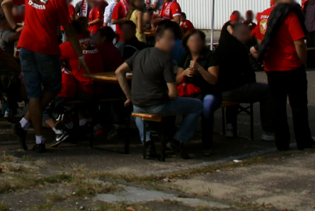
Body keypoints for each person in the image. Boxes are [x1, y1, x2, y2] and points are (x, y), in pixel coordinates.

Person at [3, 0, 84, 153]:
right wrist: (80, 54)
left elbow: (5, 3)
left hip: (25, 45)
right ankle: (25, 125)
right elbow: (69, 29)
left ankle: (36, 137)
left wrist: (15, 27)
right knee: (54, 87)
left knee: (34, 94)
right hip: (45, 48)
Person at [117, 23, 203, 159]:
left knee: (139, 108)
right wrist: (168, 94)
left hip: (138, 103)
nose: (172, 44)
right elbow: (173, 93)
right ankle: (177, 140)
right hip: (157, 105)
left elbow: (119, 71)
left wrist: (129, 96)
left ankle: (147, 142)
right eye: (168, 40)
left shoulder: (139, 54)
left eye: (173, 40)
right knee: (197, 105)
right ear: (158, 39)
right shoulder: (164, 59)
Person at [252, 0, 315, 151]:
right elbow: (299, 42)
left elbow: (261, 41)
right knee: (298, 106)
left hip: (272, 67)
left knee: (278, 107)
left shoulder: (263, 16)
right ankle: (303, 140)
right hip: (291, 65)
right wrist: (303, 61)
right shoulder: (289, 15)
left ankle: (281, 142)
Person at [216, 21, 274, 140]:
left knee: (235, 92)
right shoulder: (239, 48)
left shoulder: (220, 47)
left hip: (219, 90)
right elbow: (249, 73)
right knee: (267, 91)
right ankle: (267, 131)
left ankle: (230, 126)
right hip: (234, 89)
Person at [177, 29, 220, 155]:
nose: (196, 44)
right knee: (179, 104)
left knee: (206, 108)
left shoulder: (210, 56)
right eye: (192, 41)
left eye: (199, 41)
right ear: (187, 43)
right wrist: (184, 73)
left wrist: (200, 69)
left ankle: (207, 144)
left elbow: (213, 80)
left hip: (209, 92)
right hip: (190, 92)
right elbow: (176, 81)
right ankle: (180, 141)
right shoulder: (185, 57)